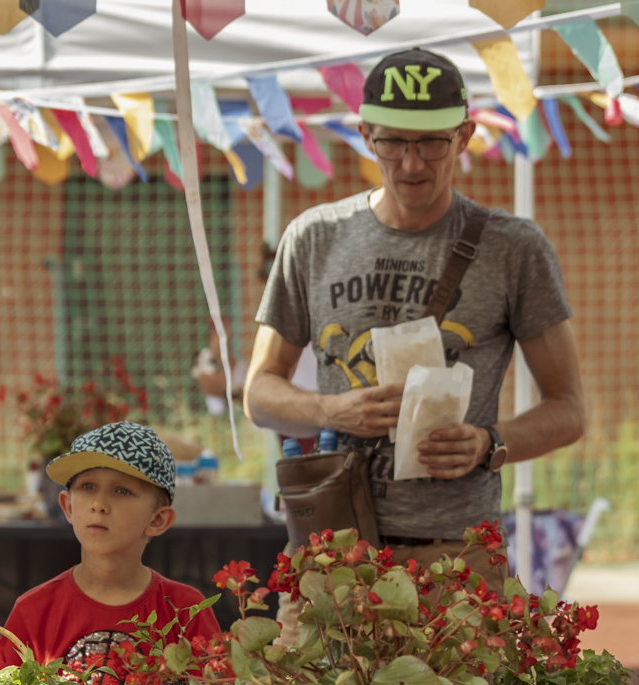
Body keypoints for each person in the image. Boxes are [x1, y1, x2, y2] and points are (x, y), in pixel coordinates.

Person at [244, 48, 587, 581]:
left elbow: (569, 409)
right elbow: (259, 395)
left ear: (465, 136)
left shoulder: (514, 248)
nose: (411, 163)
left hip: (457, 554)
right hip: (331, 551)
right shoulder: (313, 237)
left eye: (431, 142)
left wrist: (489, 444)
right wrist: (334, 412)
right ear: (364, 134)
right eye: (393, 141)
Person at [0, 422, 221, 671]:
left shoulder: (187, 612)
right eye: (88, 487)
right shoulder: (33, 611)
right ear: (68, 506)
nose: (99, 504)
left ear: (157, 519)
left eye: (122, 490)